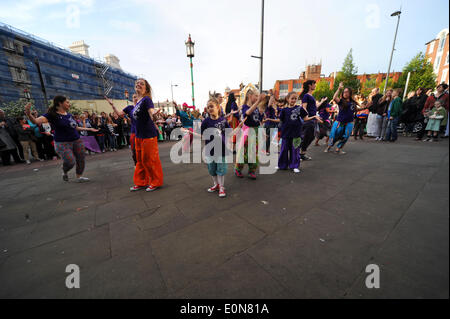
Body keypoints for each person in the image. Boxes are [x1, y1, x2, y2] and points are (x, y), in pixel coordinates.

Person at [25, 96, 98, 182]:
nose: (69, 104)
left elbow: (75, 127)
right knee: (70, 162)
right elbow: (36, 121)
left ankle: (79, 177)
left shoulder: (69, 115)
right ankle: (64, 170)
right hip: (62, 143)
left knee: (81, 159)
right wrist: (29, 114)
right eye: (67, 102)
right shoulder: (51, 115)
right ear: (60, 103)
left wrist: (89, 129)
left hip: (77, 140)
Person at [128, 78, 164, 192]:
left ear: (146, 88)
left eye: (141, 83)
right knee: (139, 160)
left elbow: (151, 111)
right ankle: (141, 182)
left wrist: (155, 114)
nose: (138, 84)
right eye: (137, 83)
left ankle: (156, 182)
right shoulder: (137, 103)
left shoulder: (146, 99)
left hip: (148, 135)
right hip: (138, 135)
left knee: (150, 160)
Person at [274, 91, 321, 173]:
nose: (293, 100)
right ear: (287, 99)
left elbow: (305, 118)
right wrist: (269, 119)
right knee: (284, 150)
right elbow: (280, 120)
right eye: (292, 98)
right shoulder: (284, 110)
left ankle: (294, 165)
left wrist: (313, 116)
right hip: (285, 133)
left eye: (295, 99)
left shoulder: (300, 108)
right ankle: (282, 165)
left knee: (295, 151)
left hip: (296, 133)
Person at [201, 97, 235, 198]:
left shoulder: (223, 120)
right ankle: (216, 184)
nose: (209, 108)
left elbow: (229, 132)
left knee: (221, 169)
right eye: (208, 107)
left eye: (211, 106)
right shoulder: (206, 122)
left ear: (218, 107)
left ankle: (221, 187)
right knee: (212, 169)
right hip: (210, 150)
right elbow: (202, 134)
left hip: (221, 150)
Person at [234, 89, 266, 179]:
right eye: (256, 96)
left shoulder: (256, 108)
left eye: (258, 96)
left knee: (253, 152)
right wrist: (259, 101)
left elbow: (259, 121)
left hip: (255, 132)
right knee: (243, 152)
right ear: (249, 96)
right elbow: (247, 113)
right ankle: (238, 169)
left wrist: (262, 132)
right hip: (247, 132)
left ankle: (252, 170)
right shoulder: (245, 106)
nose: (257, 98)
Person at [325, 82, 361, 154]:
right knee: (334, 135)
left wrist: (366, 107)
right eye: (344, 92)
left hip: (349, 123)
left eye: (347, 92)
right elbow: (334, 97)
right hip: (339, 122)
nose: (345, 93)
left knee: (346, 136)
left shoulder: (353, 103)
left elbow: (356, 110)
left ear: (350, 93)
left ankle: (338, 148)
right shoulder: (341, 101)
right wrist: (339, 88)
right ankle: (329, 146)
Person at [299, 80, 327, 161]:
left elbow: (315, 107)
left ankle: (302, 153)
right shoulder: (306, 96)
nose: (315, 85)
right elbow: (304, 107)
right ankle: (298, 153)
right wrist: (307, 117)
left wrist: (322, 101)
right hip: (308, 120)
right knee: (305, 137)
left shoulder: (311, 96)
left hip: (313, 119)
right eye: (314, 84)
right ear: (310, 85)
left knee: (311, 137)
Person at [107, 94, 139, 164]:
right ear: (132, 99)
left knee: (143, 153)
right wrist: (112, 105)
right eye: (134, 97)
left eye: (137, 97)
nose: (135, 98)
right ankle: (136, 165)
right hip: (134, 132)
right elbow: (118, 113)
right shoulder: (129, 107)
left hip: (143, 132)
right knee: (134, 152)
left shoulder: (143, 107)